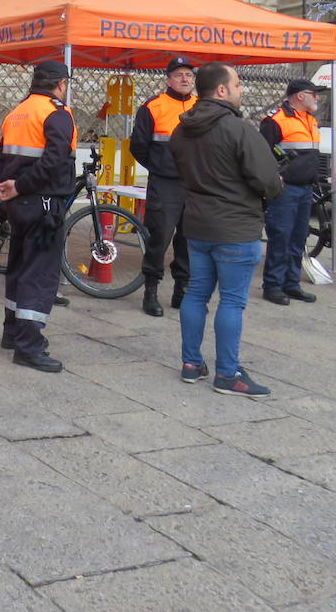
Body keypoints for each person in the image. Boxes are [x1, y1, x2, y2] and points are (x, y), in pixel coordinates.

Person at [170, 62, 283, 398]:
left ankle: (191, 364)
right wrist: (275, 184)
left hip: (197, 223)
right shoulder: (239, 129)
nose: (241, 89)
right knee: (232, 301)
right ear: (221, 90)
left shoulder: (182, 129)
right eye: (237, 84)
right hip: (235, 226)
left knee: (196, 293)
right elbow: (266, 180)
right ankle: (228, 373)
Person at [0, 60, 76, 373]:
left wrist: (2, 188)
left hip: (19, 205)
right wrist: (21, 185)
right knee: (39, 275)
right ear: (61, 84)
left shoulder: (18, 111)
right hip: (44, 203)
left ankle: (12, 333)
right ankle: (29, 346)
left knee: (18, 268)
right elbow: (54, 161)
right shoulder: (57, 114)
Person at [130, 56, 198, 316]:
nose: (185, 79)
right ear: (168, 79)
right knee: (159, 237)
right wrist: (159, 168)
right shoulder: (153, 107)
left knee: (189, 240)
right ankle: (151, 291)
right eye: (179, 74)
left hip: (194, 184)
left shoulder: (202, 106)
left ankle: (182, 290)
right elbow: (138, 146)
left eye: (189, 75)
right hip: (165, 184)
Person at [259, 79, 326, 306]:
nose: (317, 98)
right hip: (285, 190)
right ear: (299, 96)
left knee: (298, 238)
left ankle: (291, 283)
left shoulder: (309, 120)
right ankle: (273, 285)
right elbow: (263, 155)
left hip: (306, 189)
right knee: (281, 237)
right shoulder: (276, 121)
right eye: (313, 94)